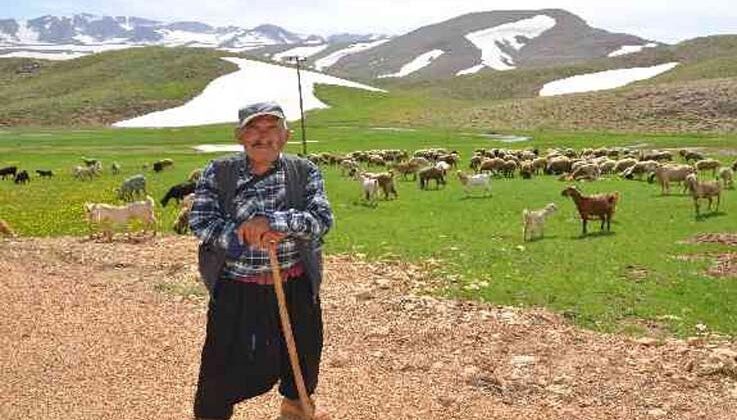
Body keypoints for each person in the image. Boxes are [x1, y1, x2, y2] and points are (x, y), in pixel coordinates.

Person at [189, 101, 333, 420]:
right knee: (220, 370)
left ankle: (295, 412)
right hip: (237, 288)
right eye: (254, 128)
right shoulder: (219, 172)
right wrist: (245, 234)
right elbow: (201, 222)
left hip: (294, 284)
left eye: (271, 128)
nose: (262, 136)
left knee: (301, 366)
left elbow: (321, 220)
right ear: (239, 136)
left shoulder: (304, 171)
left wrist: (275, 223)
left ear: (286, 135)